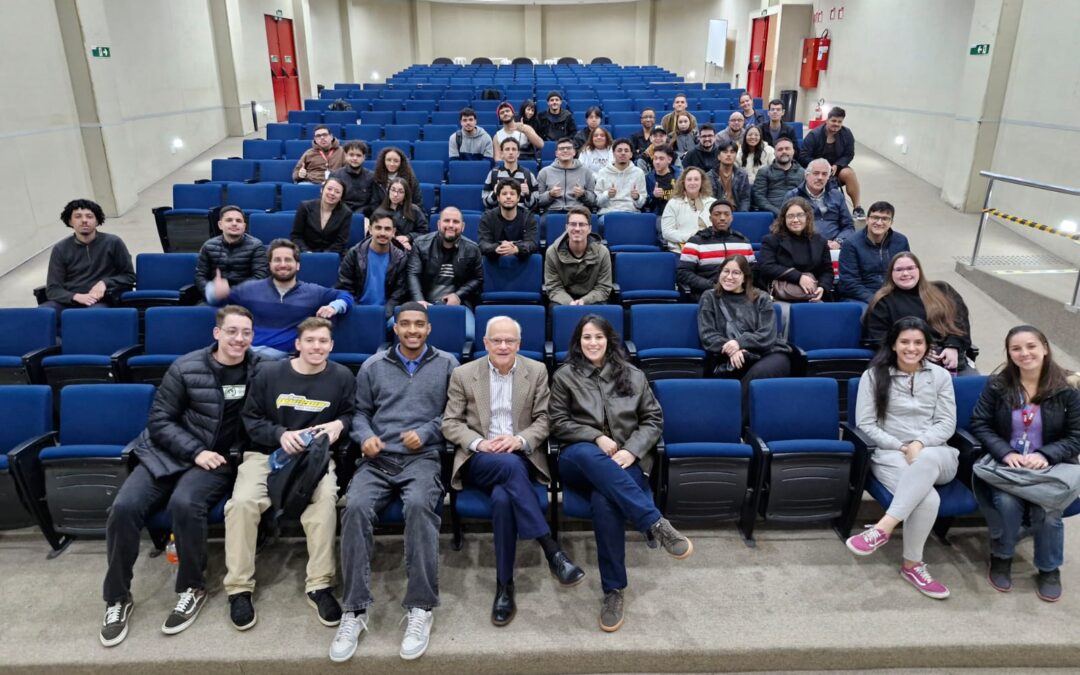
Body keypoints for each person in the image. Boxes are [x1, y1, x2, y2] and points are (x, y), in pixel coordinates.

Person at [99, 306, 264, 647]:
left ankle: (192, 586)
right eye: (232, 331)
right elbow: (159, 420)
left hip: (219, 460)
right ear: (217, 333)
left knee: (185, 504)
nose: (239, 338)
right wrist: (194, 452)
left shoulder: (260, 370)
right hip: (168, 454)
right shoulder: (186, 366)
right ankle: (117, 597)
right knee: (125, 508)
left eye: (246, 332)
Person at [330, 303, 458, 662]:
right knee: (354, 508)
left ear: (429, 329)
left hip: (422, 458)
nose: (413, 330)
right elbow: (359, 413)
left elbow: (454, 412)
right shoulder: (373, 366)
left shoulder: (448, 364)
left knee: (419, 508)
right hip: (378, 457)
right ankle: (354, 610)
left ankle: (420, 607)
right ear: (396, 328)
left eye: (419, 324)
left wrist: (428, 431)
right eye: (406, 324)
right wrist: (365, 435)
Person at [549, 315, 693, 633]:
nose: (592, 343)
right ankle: (655, 522)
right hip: (578, 459)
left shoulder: (633, 375)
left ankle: (613, 591)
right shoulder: (565, 376)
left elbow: (653, 420)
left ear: (609, 340)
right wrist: (595, 436)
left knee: (605, 500)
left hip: (626, 462)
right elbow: (557, 421)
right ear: (578, 341)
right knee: (590, 453)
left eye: (598, 337)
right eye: (586, 337)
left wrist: (632, 450)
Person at [442, 316, 585, 628]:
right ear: (485, 343)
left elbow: (545, 419)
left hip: (520, 457)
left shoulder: (535, 371)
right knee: (504, 466)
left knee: (504, 499)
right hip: (478, 460)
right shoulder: (464, 374)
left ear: (519, 345)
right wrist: (480, 443)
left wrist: (519, 440)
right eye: (497, 340)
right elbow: (450, 422)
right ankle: (551, 550)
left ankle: (504, 586)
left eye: (509, 341)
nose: (503, 346)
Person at [225, 317, 357, 630]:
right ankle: (239, 588)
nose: (316, 347)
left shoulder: (341, 377)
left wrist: (342, 424)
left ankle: (320, 584)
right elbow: (251, 419)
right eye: (310, 340)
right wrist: (280, 434)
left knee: (324, 501)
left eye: (323, 341)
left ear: (331, 346)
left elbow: (352, 413)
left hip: (314, 459)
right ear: (297, 344)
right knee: (242, 503)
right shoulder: (269, 373)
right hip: (266, 455)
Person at [846, 316, 958, 600]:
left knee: (928, 459)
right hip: (892, 453)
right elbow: (866, 424)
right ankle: (912, 565)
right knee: (929, 499)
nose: (912, 348)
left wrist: (920, 443)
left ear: (927, 345)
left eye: (918, 342)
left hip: (938, 454)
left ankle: (884, 527)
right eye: (905, 342)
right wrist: (901, 446)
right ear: (894, 345)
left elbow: (947, 423)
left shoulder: (940, 376)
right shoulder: (874, 375)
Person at [970, 325, 1080, 602]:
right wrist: (1005, 452)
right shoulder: (997, 385)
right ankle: (1002, 556)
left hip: (1052, 465)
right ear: (1008, 353)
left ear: (1044, 348)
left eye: (1031, 346)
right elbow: (980, 424)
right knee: (1007, 503)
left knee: (1048, 509)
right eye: (1016, 348)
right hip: (1008, 464)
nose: (1024, 353)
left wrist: (1046, 455)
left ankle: (1049, 568)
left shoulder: (1067, 388)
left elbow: (1077, 435)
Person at [207, 239, 353, 359]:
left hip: (288, 360)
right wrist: (215, 292)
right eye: (277, 260)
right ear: (269, 265)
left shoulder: (313, 291)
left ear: (298, 265)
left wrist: (334, 306)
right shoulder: (249, 288)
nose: (282, 264)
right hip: (249, 357)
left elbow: (345, 296)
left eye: (288, 260)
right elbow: (219, 303)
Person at [697, 255, 792, 404]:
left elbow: (767, 334)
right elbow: (707, 335)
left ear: (745, 277)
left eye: (736, 273)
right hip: (731, 357)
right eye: (725, 271)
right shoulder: (709, 297)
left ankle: (732, 420)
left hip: (769, 353)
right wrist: (733, 348)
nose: (729, 277)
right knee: (745, 371)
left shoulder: (762, 298)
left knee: (760, 373)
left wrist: (740, 343)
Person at [865, 252, 976, 375]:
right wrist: (918, 350)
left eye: (910, 268)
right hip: (904, 361)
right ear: (891, 274)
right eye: (899, 270)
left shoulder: (943, 289)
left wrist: (953, 347)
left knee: (973, 388)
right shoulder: (883, 301)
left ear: (919, 270)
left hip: (947, 358)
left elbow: (960, 323)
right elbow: (879, 338)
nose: (905, 273)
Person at [43, 198, 135, 313]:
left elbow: (129, 276)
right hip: (69, 300)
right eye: (78, 216)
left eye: (89, 216)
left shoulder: (113, 242)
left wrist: (104, 282)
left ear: (97, 221)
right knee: (43, 313)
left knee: (91, 315)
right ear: (70, 221)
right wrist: (75, 296)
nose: (84, 220)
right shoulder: (60, 248)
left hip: (100, 301)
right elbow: (53, 289)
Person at [408, 207, 484, 339]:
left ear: (463, 226)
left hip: (458, 306)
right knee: (393, 326)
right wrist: (419, 300)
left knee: (469, 335)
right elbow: (412, 274)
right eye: (446, 221)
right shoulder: (420, 244)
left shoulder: (472, 249)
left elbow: (478, 278)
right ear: (438, 224)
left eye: (455, 222)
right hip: (424, 303)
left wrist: (458, 296)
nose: (450, 225)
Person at [337, 209, 410, 319]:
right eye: (378, 228)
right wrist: (359, 312)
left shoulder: (401, 258)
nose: (382, 233)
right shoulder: (354, 254)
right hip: (357, 309)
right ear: (370, 229)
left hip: (387, 314)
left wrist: (382, 315)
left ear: (393, 232)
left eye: (387, 229)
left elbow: (399, 293)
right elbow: (345, 286)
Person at [756, 197, 833, 302]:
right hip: (781, 295)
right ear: (784, 219)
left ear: (807, 217)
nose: (795, 220)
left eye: (800, 215)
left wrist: (822, 287)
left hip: (812, 295)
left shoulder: (820, 241)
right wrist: (799, 277)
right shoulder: (771, 240)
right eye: (790, 216)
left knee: (821, 312)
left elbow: (827, 271)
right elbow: (766, 266)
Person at [678, 200, 755, 300]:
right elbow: (683, 273)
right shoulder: (696, 242)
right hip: (708, 295)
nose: (722, 218)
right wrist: (713, 286)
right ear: (710, 218)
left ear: (732, 218)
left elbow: (753, 270)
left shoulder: (743, 242)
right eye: (717, 214)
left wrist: (737, 285)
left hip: (739, 295)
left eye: (727, 214)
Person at [837, 201, 911, 302]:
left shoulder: (901, 241)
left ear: (891, 223)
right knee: (870, 315)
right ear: (867, 220)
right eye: (875, 217)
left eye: (885, 218)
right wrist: (876, 300)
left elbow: (907, 272)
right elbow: (849, 283)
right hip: (861, 297)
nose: (879, 222)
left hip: (894, 294)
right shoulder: (851, 244)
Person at [799, 106, 864, 219]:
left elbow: (849, 154)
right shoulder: (814, 135)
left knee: (850, 173)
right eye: (834, 121)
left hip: (836, 168)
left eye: (839, 122)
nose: (836, 124)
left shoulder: (847, 133)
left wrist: (838, 165)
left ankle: (857, 208)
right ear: (827, 120)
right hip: (817, 169)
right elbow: (803, 156)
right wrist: (822, 166)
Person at [194, 206, 268, 299]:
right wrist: (212, 291)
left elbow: (260, 277)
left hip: (245, 296)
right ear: (220, 225)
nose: (234, 224)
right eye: (229, 220)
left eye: (238, 221)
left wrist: (230, 291)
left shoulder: (256, 246)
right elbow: (200, 276)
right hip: (216, 296)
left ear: (244, 226)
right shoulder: (208, 246)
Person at [544, 207, 613, 306]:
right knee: (555, 308)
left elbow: (603, 287)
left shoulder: (603, 252)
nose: (577, 229)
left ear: (589, 229)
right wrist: (570, 302)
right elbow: (554, 287)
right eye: (573, 224)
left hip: (592, 299)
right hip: (564, 300)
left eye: (582, 225)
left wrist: (584, 301)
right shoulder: (552, 252)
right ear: (566, 227)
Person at [784, 158, 855, 248]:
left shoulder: (837, 196)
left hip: (835, 248)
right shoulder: (793, 196)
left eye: (824, 174)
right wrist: (817, 243)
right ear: (806, 175)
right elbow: (784, 228)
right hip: (805, 247)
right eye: (816, 173)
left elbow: (849, 226)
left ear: (828, 177)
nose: (820, 177)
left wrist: (838, 242)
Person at [478, 179, 539, 261]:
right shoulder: (487, 217)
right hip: (495, 265)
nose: (508, 196)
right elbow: (483, 244)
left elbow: (532, 243)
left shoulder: (528, 217)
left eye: (512, 193)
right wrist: (497, 248)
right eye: (504, 193)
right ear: (498, 198)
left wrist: (517, 249)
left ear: (518, 198)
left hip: (521, 265)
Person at [290, 177, 352, 254]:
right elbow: (296, 236)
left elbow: (341, 242)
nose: (332, 193)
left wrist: (324, 257)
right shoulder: (305, 207)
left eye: (337, 192)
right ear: (322, 190)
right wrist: (306, 251)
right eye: (329, 189)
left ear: (341, 197)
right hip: (306, 253)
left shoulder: (346, 213)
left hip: (332, 255)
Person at [660, 167, 715, 254]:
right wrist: (691, 237)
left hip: (708, 249)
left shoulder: (712, 203)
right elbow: (666, 232)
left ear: (702, 182)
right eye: (689, 179)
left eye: (696, 179)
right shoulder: (673, 203)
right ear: (683, 182)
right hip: (681, 250)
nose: (692, 183)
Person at [536, 138, 598, 214]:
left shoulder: (586, 172)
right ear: (556, 153)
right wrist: (550, 194)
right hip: (553, 211)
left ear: (574, 152)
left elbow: (594, 200)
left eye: (568, 148)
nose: (565, 150)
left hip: (578, 211)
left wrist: (583, 194)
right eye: (561, 149)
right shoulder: (544, 172)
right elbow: (538, 201)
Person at [751, 138, 805, 216]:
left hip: (797, 213)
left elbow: (806, 196)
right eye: (780, 149)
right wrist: (779, 213)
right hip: (772, 214)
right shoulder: (764, 172)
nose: (784, 152)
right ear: (775, 153)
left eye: (787, 149)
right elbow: (759, 197)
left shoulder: (803, 172)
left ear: (793, 151)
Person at [482, 137, 539, 211]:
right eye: (507, 149)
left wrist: (528, 194)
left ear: (518, 153)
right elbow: (485, 203)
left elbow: (535, 204)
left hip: (521, 216)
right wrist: (495, 194)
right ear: (502, 153)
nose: (511, 152)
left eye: (514, 149)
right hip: (498, 216)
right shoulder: (493, 174)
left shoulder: (528, 174)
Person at [595, 138, 646, 214]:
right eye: (619, 150)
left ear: (631, 154)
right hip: (608, 213)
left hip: (632, 213)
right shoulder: (603, 172)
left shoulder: (639, 173)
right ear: (613, 154)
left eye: (626, 151)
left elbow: (641, 205)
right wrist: (607, 195)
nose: (623, 153)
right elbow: (598, 203)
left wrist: (637, 198)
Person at [330, 141, 380, 217]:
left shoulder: (372, 176)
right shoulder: (336, 175)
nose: (355, 158)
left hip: (364, 215)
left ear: (364, 157)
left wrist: (359, 214)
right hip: (340, 214)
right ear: (346, 155)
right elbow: (331, 198)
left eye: (358, 155)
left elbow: (374, 202)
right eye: (351, 155)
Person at [377, 177, 427, 250]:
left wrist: (408, 237)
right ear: (388, 191)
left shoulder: (414, 210)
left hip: (410, 246)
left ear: (405, 194)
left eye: (400, 192)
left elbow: (425, 232)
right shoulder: (380, 211)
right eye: (393, 190)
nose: (395, 194)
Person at [708, 140, 751, 212]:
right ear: (718, 156)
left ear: (735, 156)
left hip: (737, 211)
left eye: (732, 152)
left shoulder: (742, 175)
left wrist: (742, 214)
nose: (729, 155)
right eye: (725, 152)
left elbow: (745, 198)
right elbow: (710, 199)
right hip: (717, 212)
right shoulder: (710, 176)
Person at [643, 144, 679, 217]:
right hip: (659, 215)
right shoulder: (648, 178)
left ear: (669, 160)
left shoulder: (679, 175)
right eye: (655, 158)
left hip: (678, 213)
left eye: (661, 159)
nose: (657, 162)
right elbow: (645, 205)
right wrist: (654, 196)